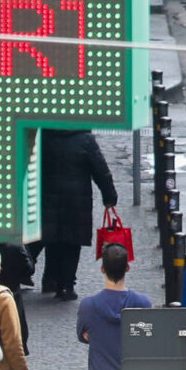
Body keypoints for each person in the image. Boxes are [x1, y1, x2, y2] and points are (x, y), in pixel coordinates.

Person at [36, 128, 118, 299]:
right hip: (76, 199)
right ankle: (66, 285)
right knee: (72, 242)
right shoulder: (85, 139)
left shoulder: (44, 135)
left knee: (53, 238)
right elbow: (100, 170)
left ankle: (50, 279)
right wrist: (109, 195)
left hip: (47, 195)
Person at [75, 242, 151, 370]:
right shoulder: (142, 303)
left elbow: (83, 336)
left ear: (102, 269)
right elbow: (148, 339)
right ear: (127, 268)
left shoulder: (88, 306)